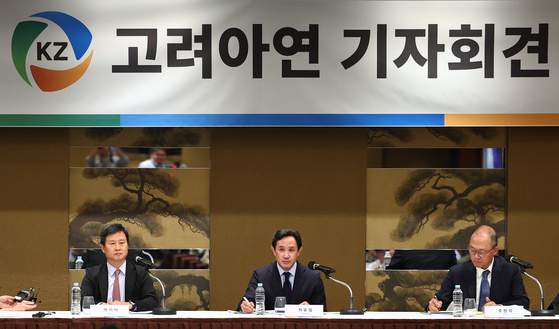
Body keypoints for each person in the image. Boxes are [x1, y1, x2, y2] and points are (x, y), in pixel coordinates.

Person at [427, 225, 529, 312]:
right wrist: (434, 305)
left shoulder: (510, 270)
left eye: (481, 252)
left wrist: (499, 308)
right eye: (472, 250)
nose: (475, 256)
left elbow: (523, 302)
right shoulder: (457, 272)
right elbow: (441, 301)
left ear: (495, 250)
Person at [238, 229, 327, 313]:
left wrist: (310, 309)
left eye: (291, 250)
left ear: (299, 251)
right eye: (281, 250)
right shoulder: (260, 276)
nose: (286, 255)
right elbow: (246, 301)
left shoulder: (313, 278)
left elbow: (322, 312)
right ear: (273, 251)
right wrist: (245, 306)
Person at [81, 224, 159, 312]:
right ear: (103, 248)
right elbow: (83, 301)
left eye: (121, 243)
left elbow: (153, 301)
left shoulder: (140, 272)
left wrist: (129, 305)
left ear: (127, 245)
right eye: (112, 244)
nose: (118, 248)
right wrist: (104, 307)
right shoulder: (92, 274)